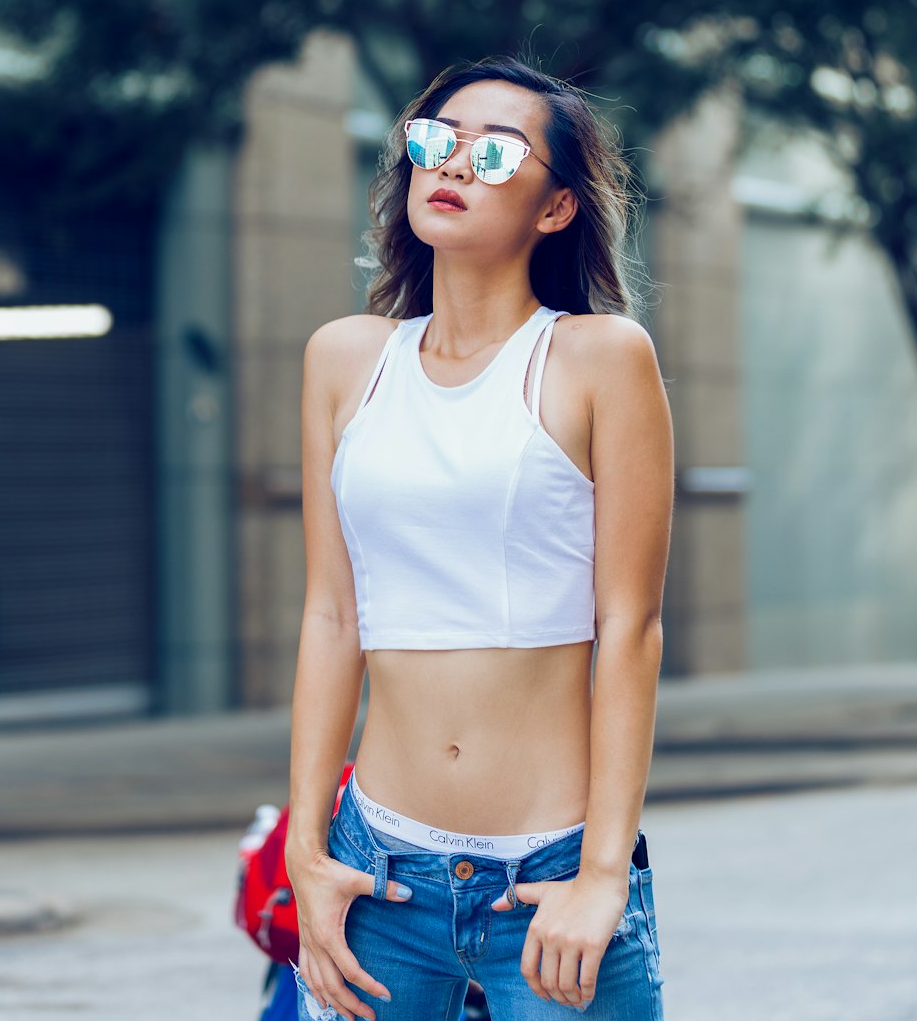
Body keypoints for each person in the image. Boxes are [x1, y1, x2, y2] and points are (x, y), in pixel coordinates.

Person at [284, 55, 673, 1021]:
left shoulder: (600, 359)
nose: (452, 164)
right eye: (435, 140)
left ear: (556, 208)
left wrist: (601, 874)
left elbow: (630, 627)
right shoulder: (343, 360)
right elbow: (333, 616)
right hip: (380, 873)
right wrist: (308, 853)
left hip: (548, 883)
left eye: (495, 153)